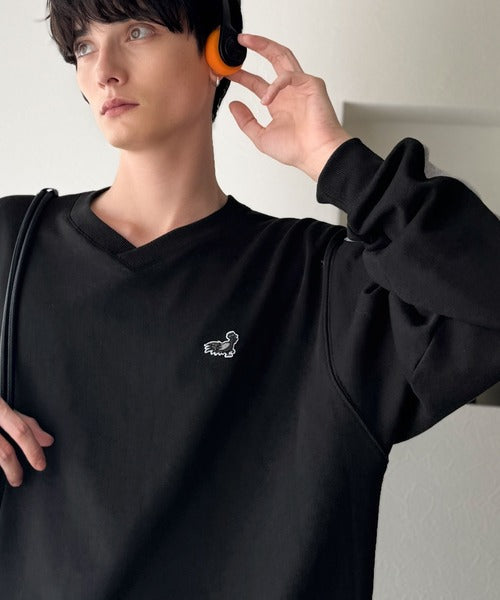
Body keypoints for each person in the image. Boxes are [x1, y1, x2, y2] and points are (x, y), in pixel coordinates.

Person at [0, 1, 498, 598]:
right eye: (83, 45)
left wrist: (334, 159)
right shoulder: (11, 247)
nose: (103, 70)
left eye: (137, 31)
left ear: (220, 53)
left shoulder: (319, 283)